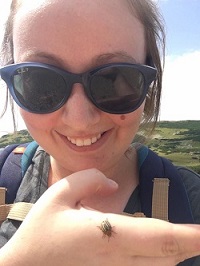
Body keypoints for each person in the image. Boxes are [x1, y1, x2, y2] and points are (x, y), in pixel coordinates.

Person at [0, 0, 200, 265]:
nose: (80, 120)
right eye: (40, 81)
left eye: (113, 79)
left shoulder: (191, 199)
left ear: (148, 84)